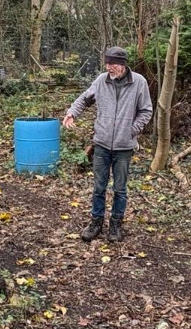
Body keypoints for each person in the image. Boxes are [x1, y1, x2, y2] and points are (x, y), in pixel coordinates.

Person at [63, 47, 153, 243]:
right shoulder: (102, 80)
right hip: (102, 144)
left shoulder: (139, 82)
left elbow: (146, 111)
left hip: (124, 147)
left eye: (112, 64)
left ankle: (116, 224)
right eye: (107, 63)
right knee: (98, 187)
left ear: (122, 65)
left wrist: (132, 129)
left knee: (120, 189)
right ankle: (96, 222)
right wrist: (71, 113)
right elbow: (84, 99)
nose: (108, 67)